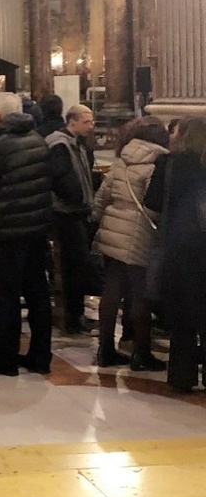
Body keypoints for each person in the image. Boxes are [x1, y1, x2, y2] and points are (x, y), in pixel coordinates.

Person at [0, 92, 54, 376]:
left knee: (6, 296)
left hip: (6, 231)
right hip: (36, 230)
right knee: (38, 295)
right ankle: (40, 355)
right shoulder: (38, 140)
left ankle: (6, 357)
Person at [91, 117, 169, 370]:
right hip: (140, 232)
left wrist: (96, 221)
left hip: (112, 229)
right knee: (139, 295)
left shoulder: (121, 160)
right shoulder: (157, 163)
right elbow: (153, 204)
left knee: (111, 292)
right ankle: (141, 353)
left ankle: (105, 350)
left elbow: (102, 198)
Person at [144, 116, 206, 392]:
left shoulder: (169, 163)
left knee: (182, 315)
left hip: (180, 244)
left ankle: (182, 376)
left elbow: (152, 202)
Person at [46, 104, 97, 334]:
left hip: (76, 210)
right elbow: (61, 178)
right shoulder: (60, 144)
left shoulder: (77, 143)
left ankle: (75, 313)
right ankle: (73, 315)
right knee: (75, 265)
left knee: (77, 265)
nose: (91, 126)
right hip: (66, 213)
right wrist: (76, 197)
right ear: (72, 122)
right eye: (86, 122)